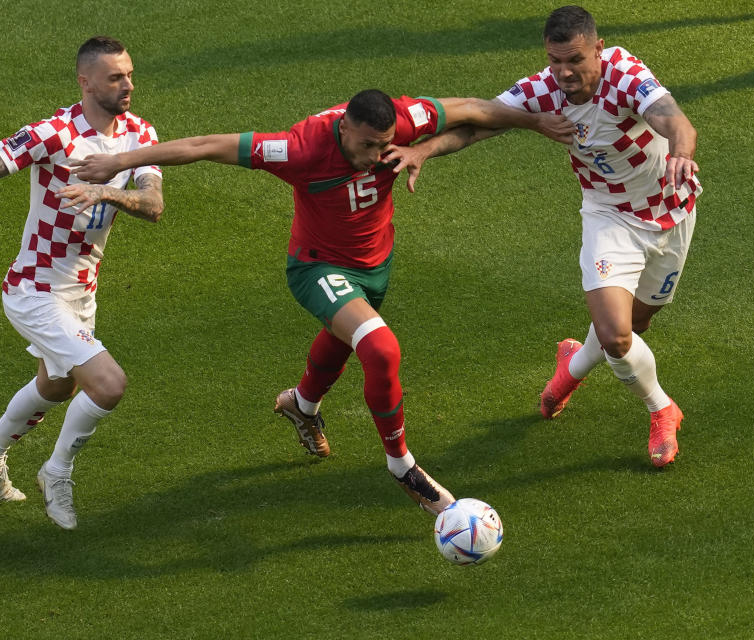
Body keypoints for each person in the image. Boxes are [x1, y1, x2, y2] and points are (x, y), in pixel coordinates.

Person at [73, 90, 574, 513]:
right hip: (317, 267)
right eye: (369, 146)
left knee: (347, 339)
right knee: (380, 348)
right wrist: (118, 161)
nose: (379, 155)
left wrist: (532, 123)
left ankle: (302, 404)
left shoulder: (402, 120)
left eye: (386, 145)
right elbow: (206, 145)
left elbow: (469, 109)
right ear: (344, 130)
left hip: (375, 263)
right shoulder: (297, 149)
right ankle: (402, 466)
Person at [386, 6, 701, 468]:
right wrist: (424, 150)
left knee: (636, 326)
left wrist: (681, 154)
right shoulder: (542, 89)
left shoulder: (627, 74)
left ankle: (570, 368)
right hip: (608, 215)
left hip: (671, 212)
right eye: (555, 61)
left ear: (598, 48)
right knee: (616, 336)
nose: (564, 72)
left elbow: (676, 121)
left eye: (574, 60)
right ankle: (662, 408)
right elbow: (478, 122)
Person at [0, 36, 164, 529]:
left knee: (58, 384)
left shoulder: (139, 134)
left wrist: (107, 187)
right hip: (35, 288)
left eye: (128, 74)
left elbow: (153, 205)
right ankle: (56, 471)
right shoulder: (53, 134)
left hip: (82, 291)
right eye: (115, 77)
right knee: (108, 385)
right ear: (84, 82)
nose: (127, 84)